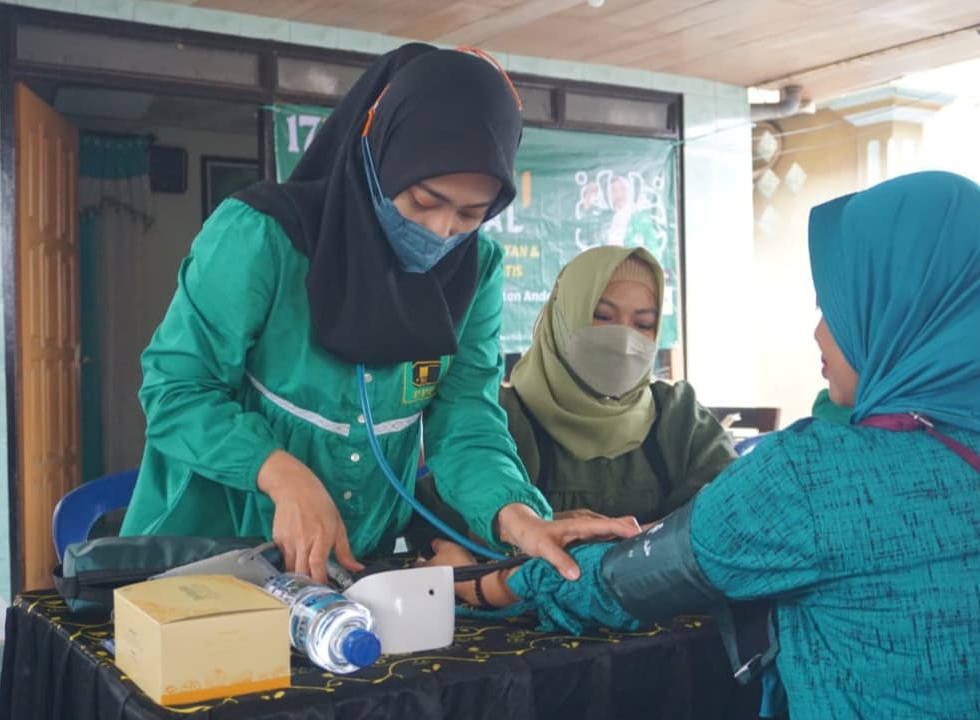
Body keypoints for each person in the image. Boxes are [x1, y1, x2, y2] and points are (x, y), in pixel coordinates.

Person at [430, 172, 980, 718]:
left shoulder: (817, 473)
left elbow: (616, 587)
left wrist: (481, 585)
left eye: (841, 308)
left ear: (898, 317)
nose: (819, 335)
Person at [120, 43, 638, 584]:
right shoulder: (262, 236)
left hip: (352, 566)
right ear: (378, 154)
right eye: (423, 200)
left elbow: (465, 421)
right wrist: (278, 472)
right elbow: (176, 389)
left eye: (470, 213)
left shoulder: (476, 268)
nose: (442, 231)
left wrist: (517, 516)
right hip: (203, 555)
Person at [412, 246, 735, 542]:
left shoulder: (680, 417)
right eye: (603, 316)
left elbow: (733, 510)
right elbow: (437, 532)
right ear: (562, 316)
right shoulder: (497, 423)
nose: (623, 339)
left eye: (643, 324)